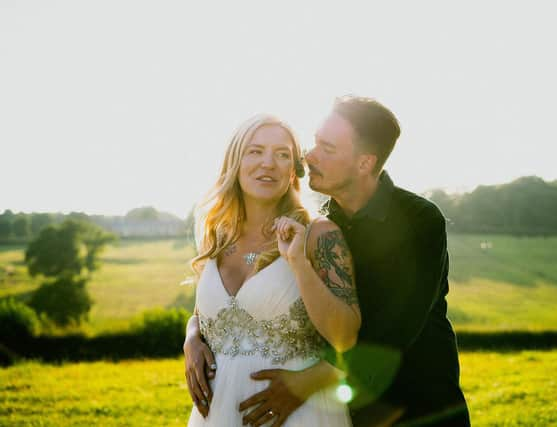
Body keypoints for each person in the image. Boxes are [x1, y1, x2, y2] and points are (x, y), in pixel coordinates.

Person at [236, 96, 470, 426]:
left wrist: (306, 381)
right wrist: (195, 336)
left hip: (421, 407)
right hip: (343, 414)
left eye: (327, 148)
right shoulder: (311, 227)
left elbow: (393, 331)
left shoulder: (420, 220)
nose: (310, 155)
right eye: (314, 142)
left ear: (364, 163)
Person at [184, 114, 361, 426]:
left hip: (297, 414)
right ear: (234, 161)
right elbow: (215, 311)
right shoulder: (217, 233)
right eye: (255, 151)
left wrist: (299, 264)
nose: (269, 163)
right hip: (216, 414)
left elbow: (345, 336)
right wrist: (192, 336)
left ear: (293, 170)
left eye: (282, 155)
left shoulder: (318, 234)